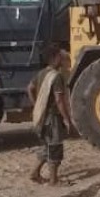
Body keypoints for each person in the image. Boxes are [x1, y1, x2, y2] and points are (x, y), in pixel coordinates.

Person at [28, 44, 75, 185]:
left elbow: (29, 88)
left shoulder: (42, 73)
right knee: (55, 147)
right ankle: (54, 180)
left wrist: (37, 104)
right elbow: (59, 101)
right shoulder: (57, 77)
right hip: (52, 118)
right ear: (55, 58)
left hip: (42, 118)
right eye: (61, 56)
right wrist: (67, 119)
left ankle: (34, 173)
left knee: (47, 146)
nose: (63, 58)